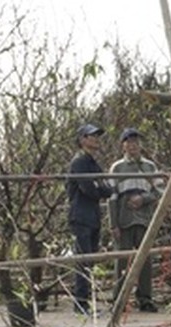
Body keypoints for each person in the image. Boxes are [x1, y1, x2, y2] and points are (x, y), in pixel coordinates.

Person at [108, 128, 163, 312]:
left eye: (136, 142)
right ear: (123, 145)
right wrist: (113, 224)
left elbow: (160, 191)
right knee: (122, 259)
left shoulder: (150, 167)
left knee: (146, 260)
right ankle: (119, 299)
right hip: (124, 219)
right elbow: (112, 198)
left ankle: (145, 298)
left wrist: (144, 199)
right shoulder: (117, 168)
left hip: (145, 218)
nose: (133, 145)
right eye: (129, 142)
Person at [66, 123, 115, 315]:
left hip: (93, 215)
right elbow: (90, 189)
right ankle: (80, 303)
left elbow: (104, 186)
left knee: (90, 260)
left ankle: (86, 300)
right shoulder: (79, 162)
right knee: (83, 260)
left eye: (97, 136)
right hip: (81, 215)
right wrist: (101, 190)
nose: (96, 139)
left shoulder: (93, 162)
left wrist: (102, 189)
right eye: (91, 136)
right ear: (82, 140)